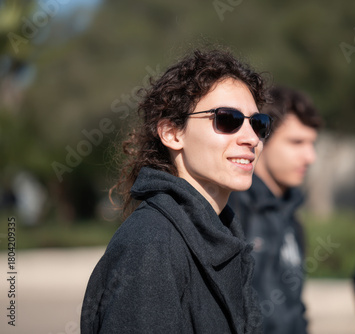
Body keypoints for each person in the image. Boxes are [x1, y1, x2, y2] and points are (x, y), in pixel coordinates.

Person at [80, 48, 273, 333]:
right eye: (227, 119)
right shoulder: (151, 243)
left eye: (258, 124)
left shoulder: (222, 236)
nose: (250, 138)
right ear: (172, 133)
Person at [228, 86, 322, 334]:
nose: (309, 156)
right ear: (261, 138)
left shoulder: (292, 219)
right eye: (296, 142)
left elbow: (294, 306)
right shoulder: (229, 211)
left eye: (312, 143)